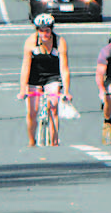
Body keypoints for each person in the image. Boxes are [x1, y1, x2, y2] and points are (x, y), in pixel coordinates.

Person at [17, 13, 72, 146]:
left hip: (52, 76)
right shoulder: (30, 42)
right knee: (32, 110)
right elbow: (25, 67)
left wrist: (67, 91)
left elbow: (64, 68)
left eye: (47, 31)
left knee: (53, 106)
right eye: (41, 31)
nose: (44, 34)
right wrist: (22, 89)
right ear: (37, 31)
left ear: (51, 30)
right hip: (34, 77)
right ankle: (31, 141)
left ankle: (54, 141)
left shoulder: (60, 42)